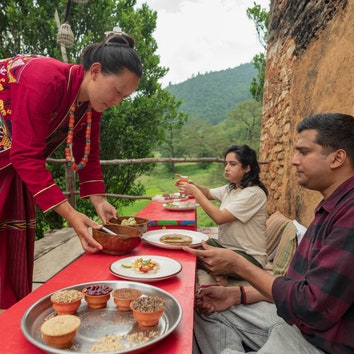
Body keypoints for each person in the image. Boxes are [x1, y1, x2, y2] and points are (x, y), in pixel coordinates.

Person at [184, 113, 354, 354]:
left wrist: (239, 266)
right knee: (200, 306)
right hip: (294, 324)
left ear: (337, 158)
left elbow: (311, 306)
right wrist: (237, 294)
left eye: (303, 152)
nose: (294, 160)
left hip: (318, 342)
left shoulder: (349, 213)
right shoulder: (331, 206)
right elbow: (298, 285)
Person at [0, 32, 143, 309]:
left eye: (124, 97)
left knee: (12, 242)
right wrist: (71, 215)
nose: (117, 102)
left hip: (12, 166)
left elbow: (88, 153)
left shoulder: (89, 106)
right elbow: (26, 155)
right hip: (11, 159)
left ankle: (8, 313)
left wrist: (98, 200)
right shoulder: (43, 79)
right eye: (117, 92)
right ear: (96, 72)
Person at [177, 144, 268, 285]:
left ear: (247, 167)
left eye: (233, 164)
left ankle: (218, 271)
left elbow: (219, 218)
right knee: (189, 245)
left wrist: (194, 192)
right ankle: (218, 271)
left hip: (248, 258)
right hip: (227, 249)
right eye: (226, 163)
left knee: (197, 255)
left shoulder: (253, 193)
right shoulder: (232, 188)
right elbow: (207, 193)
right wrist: (191, 183)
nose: (226, 168)